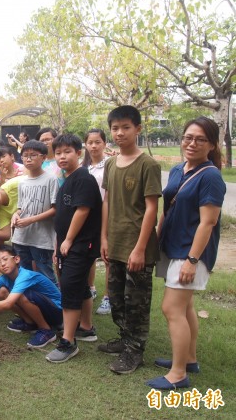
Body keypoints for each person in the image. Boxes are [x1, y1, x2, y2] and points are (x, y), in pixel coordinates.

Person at [146, 117, 226, 390]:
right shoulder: (179, 169)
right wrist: (157, 239)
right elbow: (168, 208)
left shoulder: (211, 176)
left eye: (200, 139)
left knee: (172, 308)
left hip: (190, 251)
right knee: (186, 306)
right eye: (188, 137)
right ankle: (188, 359)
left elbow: (209, 222)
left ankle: (178, 374)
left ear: (212, 145)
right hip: (172, 245)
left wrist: (192, 260)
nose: (192, 143)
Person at [99, 105, 161, 374]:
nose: (120, 133)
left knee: (136, 302)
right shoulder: (111, 163)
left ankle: (134, 351)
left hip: (138, 246)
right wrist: (104, 237)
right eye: (115, 128)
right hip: (115, 243)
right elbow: (107, 202)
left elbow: (151, 209)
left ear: (138, 129)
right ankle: (125, 339)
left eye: (126, 127)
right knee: (116, 298)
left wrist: (139, 249)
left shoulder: (148, 164)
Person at [44, 134, 101, 364]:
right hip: (68, 244)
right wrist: (60, 243)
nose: (62, 156)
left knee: (68, 287)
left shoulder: (83, 178)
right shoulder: (68, 178)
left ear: (79, 152)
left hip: (80, 243)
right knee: (77, 285)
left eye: (67, 151)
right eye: (58, 153)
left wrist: (67, 240)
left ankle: (68, 342)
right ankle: (85, 328)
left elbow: (82, 210)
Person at [0, 245, 63, 350]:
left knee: (20, 295)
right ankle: (30, 323)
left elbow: (8, 304)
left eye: (5, 259)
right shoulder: (4, 278)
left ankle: (46, 330)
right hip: (44, 310)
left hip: (57, 313)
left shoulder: (25, 275)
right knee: (2, 292)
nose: (2, 264)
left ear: (16, 259)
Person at [11, 140, 58, 284]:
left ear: (43, 157)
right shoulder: (22, 182)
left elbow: (55, 209)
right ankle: (31, 303)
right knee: (24, 274)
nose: (28, 159)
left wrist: (30, 220)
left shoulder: (51, 179)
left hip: (42, 239)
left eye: (33, 155)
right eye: (25, 156)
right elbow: (21, 207)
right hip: (21, 237)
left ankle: (56, 304)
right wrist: (15, 215)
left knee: (46, 274)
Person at [82, 129, 112, 315]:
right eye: (90, 142)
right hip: (86, 217)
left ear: (104, 143)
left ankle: (108, 297)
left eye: (98, 142)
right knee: (89, 254)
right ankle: (91, 288)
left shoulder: (110, 164)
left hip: (107, 215)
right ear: (85, 145)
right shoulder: (82, 167)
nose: (94, 146)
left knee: (107, 255)